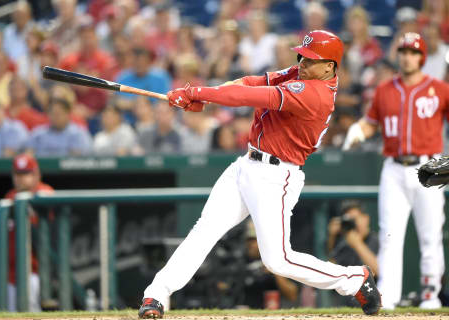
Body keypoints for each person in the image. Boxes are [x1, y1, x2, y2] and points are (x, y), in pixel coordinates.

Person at [138, 30, 381, 319]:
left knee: (278, 260)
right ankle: (156, 294)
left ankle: (353, 279)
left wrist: (196, 93)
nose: (302, 63)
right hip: (247, 165)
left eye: (312, 60)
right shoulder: (300, 73)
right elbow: (251, 82)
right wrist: (206, 98)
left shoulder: (315, 94)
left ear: (330, 66)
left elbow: (249, 96)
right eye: (302, 56)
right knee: (204, 231)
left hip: (277, 177)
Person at [343, 32, 447, 310]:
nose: (407, 56)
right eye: (403, 51)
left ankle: (430, 294)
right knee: (389, 234)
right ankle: (387, 295)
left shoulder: (439, 88)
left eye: (413, 52)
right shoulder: (385, 89)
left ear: (422, 57)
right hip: (393, 166)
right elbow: (370, 122)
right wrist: (359, 130)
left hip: (428, 166)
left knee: (430, 235)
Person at [0, 154, 53, 311]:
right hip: (11, 272)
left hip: (34, 270)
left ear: (36, 174)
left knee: (31, 311)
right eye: (18, 174)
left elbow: (49, 201)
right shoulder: (10, 196)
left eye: (26, 174)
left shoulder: (43, 191)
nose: (21, 179)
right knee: (12, 312)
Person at [327, 202, 379, 307]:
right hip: (346, 304)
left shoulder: (376, 240)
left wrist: (357, 244)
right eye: (349, 220)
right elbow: (331, 270)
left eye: (355, 219)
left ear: (366, 218)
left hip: (375, 300)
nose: (353, 224)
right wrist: (332, 237)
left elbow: (377, 271)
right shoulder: (344, 243)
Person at [27, 97, 92, 157]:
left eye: (59, 114)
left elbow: (82, 160)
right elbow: (28, 155)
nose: (56, 117)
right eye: (52, 113)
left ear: (68, 114)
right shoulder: (38, 134)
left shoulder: (79, 133)